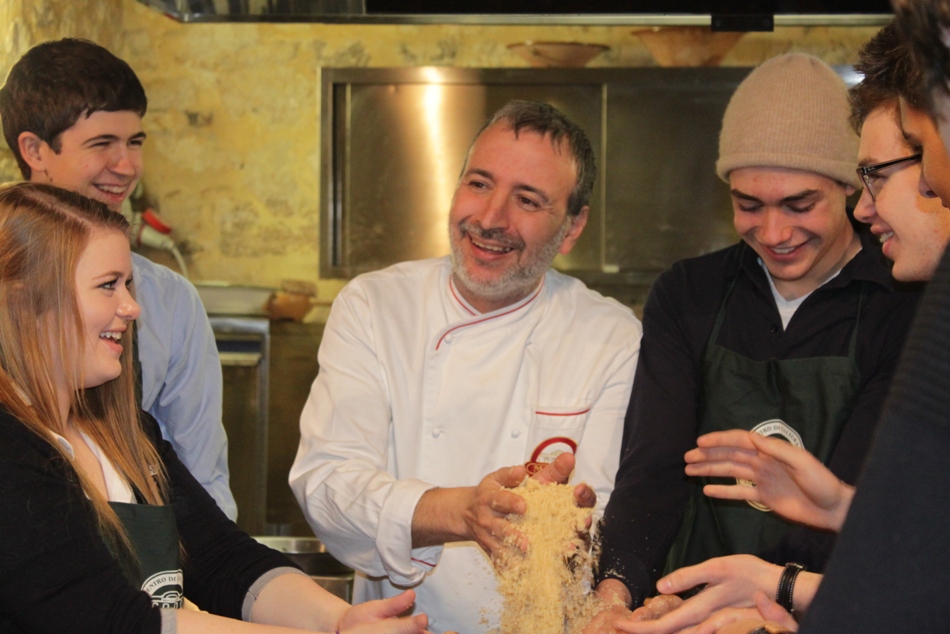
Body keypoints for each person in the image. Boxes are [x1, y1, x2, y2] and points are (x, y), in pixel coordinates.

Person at [0, 181, 434, 634]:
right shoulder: (11, 449)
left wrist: (338, 619)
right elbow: (114, 623)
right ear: (25, 301)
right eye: (107, 286)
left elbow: (222, 558)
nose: (131, 307)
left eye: (128, 284)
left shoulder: (125, 436)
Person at [589, 53, 920, 633]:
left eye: (800, 204)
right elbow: (654, 470)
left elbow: (859, 498)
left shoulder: (902, 300)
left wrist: (766, 602)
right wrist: (614, 590)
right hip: (684, 609)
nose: (774, 233)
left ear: (850, 187)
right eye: (749, 205)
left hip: (827, 610)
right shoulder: (689, 295)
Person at [289, 100, 642, 633]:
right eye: (479, 184)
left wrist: (571, 529)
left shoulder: (610, 336)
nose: (490, 219)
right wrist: (460, 512)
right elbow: (327, 485)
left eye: (527, 199)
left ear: (571, 229)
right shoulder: (375, 307)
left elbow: (613, 519)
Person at [0, 38, 236, 518]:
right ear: (34, 149)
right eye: (101, 144)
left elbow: (200, 472)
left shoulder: (170, 301)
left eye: (134, 143)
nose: (126, 166)